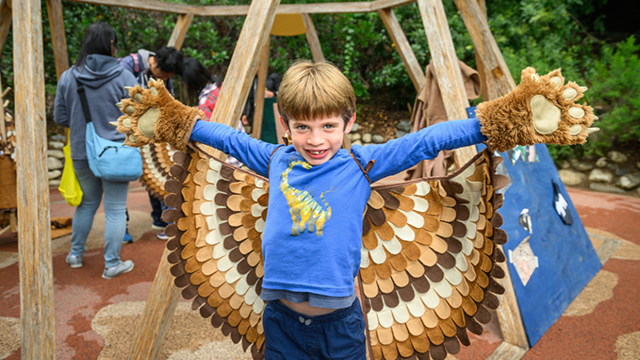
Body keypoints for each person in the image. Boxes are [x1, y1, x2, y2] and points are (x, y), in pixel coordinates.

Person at [115, 60, 597, 358]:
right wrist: (180, 122)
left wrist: (501, 119)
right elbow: (228, 139)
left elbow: (428, 139)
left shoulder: (362, 164)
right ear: (284, 125)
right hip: (278, 322)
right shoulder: (276, 157)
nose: (316, 139)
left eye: (328, 126)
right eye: (303, 128)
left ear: (349, 122)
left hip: (339, 326)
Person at [54, 22, 136, 279]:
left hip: (81, 152)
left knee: (87, 204)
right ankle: (111, 265)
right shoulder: (124, 77)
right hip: (116, 155)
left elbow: (60, 116)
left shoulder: (68, 76)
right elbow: (140, 114)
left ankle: (75, 254)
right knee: (114, 209)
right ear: (111, 46)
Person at [120, 46, 184, 239]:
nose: (164, 78)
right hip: (128, 131)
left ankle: (160, 217)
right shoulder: (128, 67)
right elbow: (122, 100)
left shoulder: (164, 75)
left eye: (168, 76)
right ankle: (121, 228)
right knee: (122, 179)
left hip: (153, 132)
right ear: (154, 62)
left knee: (156, 171)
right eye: (163, 74)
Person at [181, 57, 243, 167]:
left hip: (228, 159)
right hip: (241, 146)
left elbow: (206, 134)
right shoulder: (221, 86)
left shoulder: (205, 100)